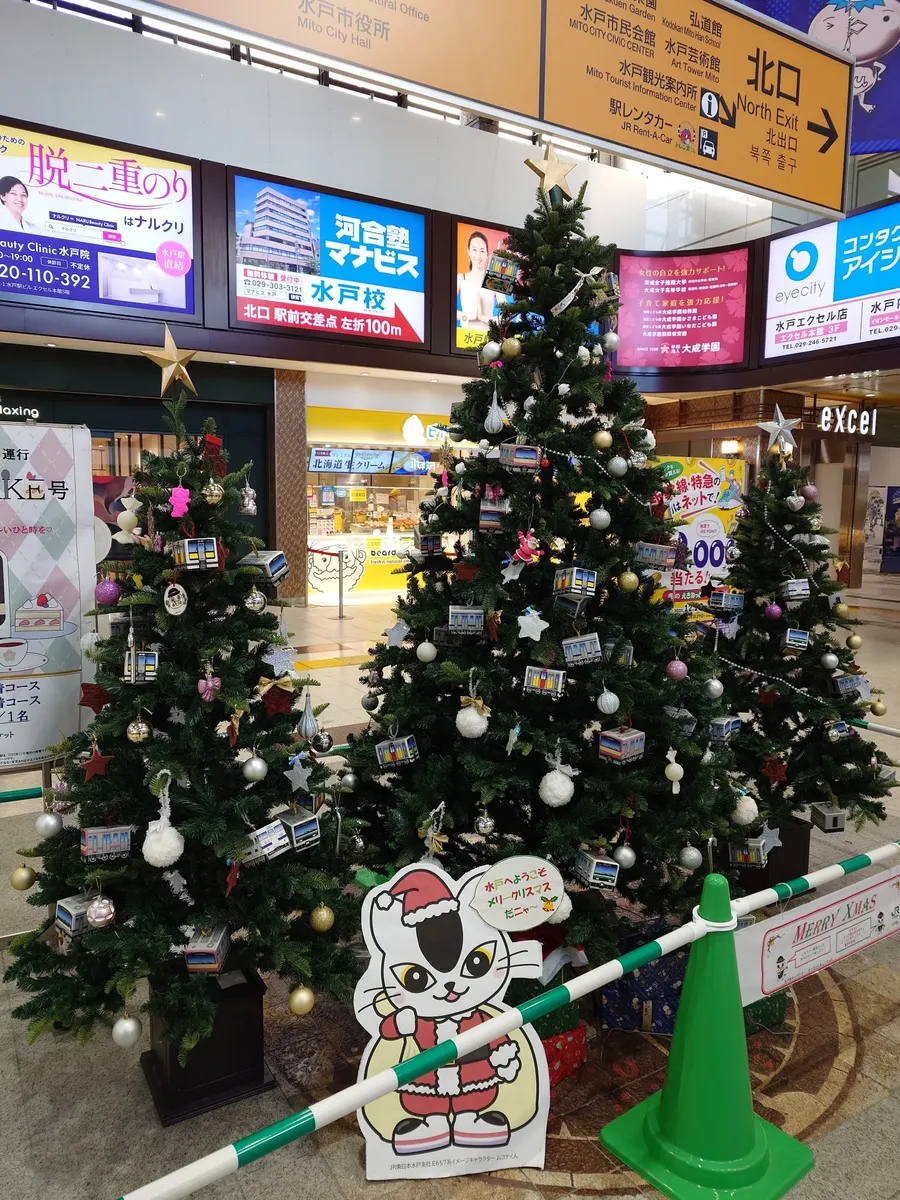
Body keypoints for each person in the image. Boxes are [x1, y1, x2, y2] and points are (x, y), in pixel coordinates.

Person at [456, 230, 497, 333]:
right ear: (468, 251)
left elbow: (507, 316)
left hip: (489, 339)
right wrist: (468, 316)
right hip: (465, 338)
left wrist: (483, 318)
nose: (478, 255)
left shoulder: (494, 280)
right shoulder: (460, 278)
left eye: (482, 251)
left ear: (487, 253)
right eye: (474, 250)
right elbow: (445, 308)